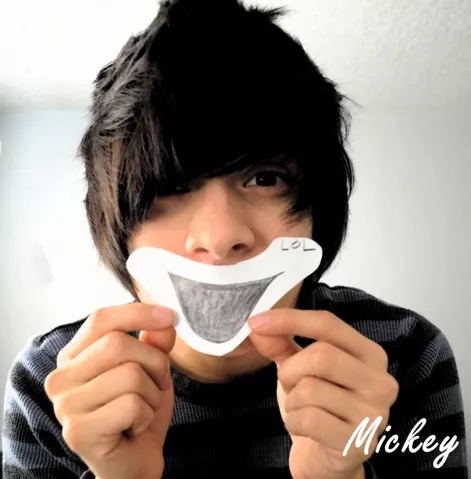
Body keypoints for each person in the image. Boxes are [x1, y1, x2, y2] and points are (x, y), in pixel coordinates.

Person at [1, 0, 468, 478]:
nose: (220, 238)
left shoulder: (406, 355)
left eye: (265, 178)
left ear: (319, 207)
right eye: (169, 186)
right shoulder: (51, 387)